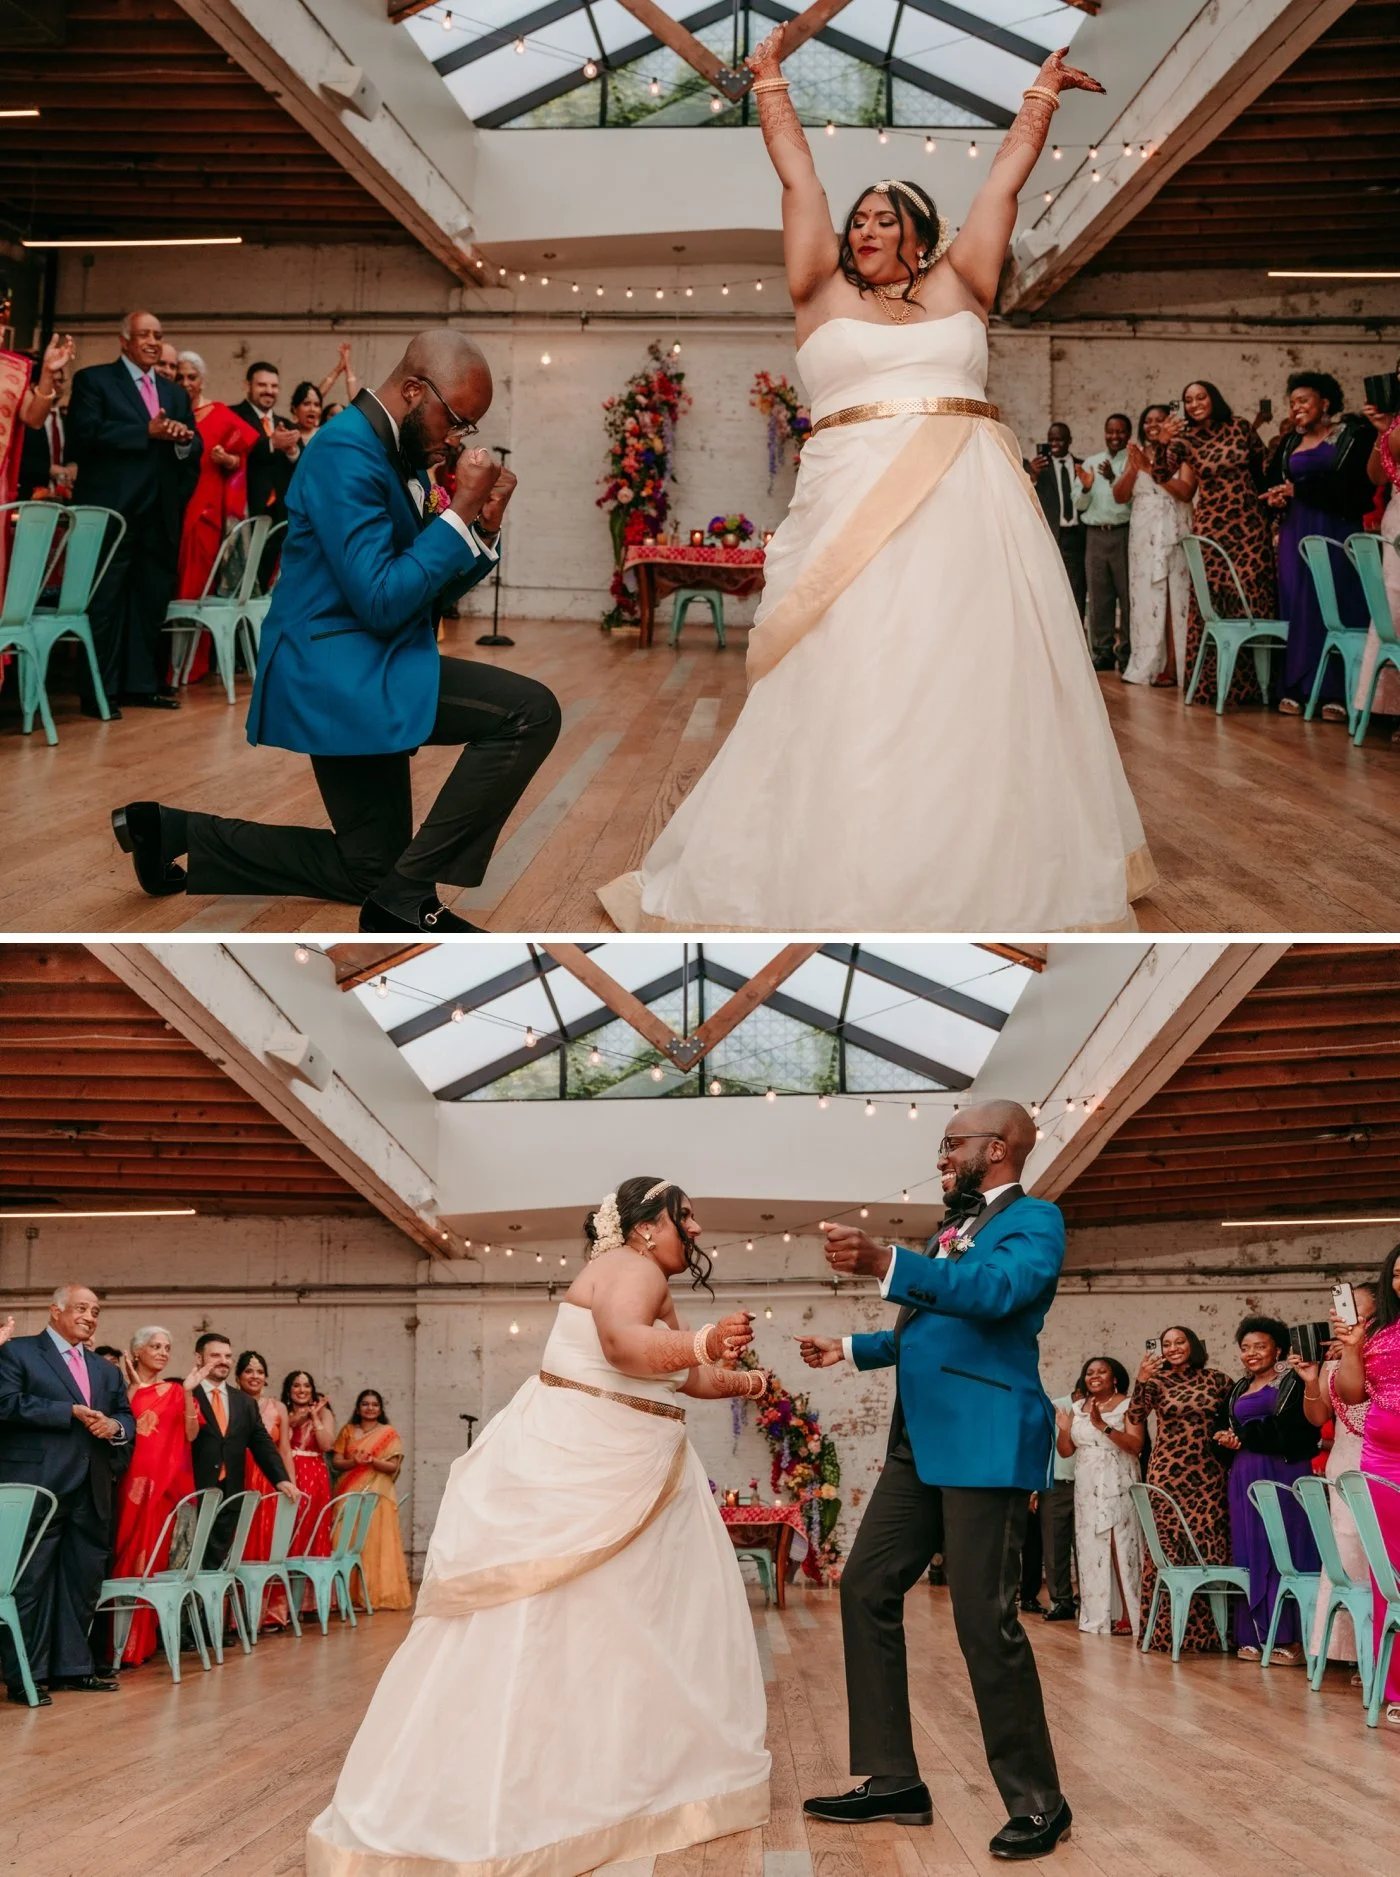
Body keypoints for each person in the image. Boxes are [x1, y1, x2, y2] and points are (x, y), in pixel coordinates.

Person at [597, 36, 1152, 935]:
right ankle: (843, 852)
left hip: (971, 504)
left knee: (968, 674)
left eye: (885, 218)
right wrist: (771, 83)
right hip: (851, 503)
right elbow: (798, 183)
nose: (864, 229)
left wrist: (1038, 99)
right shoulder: (820, 293)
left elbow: (1002, 190)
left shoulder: (965, 287)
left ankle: (976, 855)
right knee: (861, 668)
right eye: (859, 219)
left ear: (921, 235)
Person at [306, 1177, 771, 1873]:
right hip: (589, 1467)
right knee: (570, 1621)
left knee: (622, 1630)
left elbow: (677, 1373)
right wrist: (703, 1339)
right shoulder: (628, 1268)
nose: (697, 1229)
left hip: (635, 1468)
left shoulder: (644, 1277)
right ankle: (537, 1790)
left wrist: (743, 1379)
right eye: (687, 1216)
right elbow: (622, 1347)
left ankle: (613, 1776)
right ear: (646, 1224)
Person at [112, 330, 562, 934]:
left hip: (375, 661)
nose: (458, 439)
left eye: (468, 429)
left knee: (365, 871)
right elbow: (380, 600)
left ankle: (171, 831)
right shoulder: (344, 451)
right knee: (528, 712)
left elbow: (420, 589)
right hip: (338, 672)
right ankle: (408, 898)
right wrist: (454, 515)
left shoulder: (397, 452)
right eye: (457, 421)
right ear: (412, 390)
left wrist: (480, 527)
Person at [794, 1100, 1070, 1862]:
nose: (941, 1155)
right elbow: (933, 1328)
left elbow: (994, 1296)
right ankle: (894, 1778)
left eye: (952, 1144)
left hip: (983, 1438)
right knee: (865, 1584)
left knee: (983, 1619)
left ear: (1001, 1147)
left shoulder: (1035, 1220)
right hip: (919, 1443)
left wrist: (886, 1261)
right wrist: (851, 1348)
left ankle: (1039, 1801)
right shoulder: (954, 1229)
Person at [0, 1284, 136, 1704]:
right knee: (31, 1582)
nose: (89, 1316)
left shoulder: (106, 1371)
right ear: (55, 1310)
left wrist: (115, 1428)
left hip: (91, 1487)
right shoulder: (18, 1352)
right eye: (81, 1308)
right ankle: (27, 1674)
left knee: (82, 1580)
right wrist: (68, 1413)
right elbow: (6, 1404)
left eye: (95, 1311)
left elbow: (126, 1417)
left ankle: (73, 1667)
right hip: (38, 1485)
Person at [66, 309, 202, 716]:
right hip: (111, 510)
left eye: (158, 335)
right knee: (105, 603)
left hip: (158, 512)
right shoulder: (94, 381)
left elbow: (191, 447)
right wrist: (145, 432)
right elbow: (84, 437)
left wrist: (180, 440)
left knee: (149, 600)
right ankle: (99, 691)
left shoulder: (173, 394)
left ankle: (140, 685)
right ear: (124, 340)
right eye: (144, 334)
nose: (152, 341)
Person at [1154, 381, 1276, 709]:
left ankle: (1259, 689)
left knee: (1254, 602)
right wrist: (1162, 443)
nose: (1195, 404)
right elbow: (1161, 474)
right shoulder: (1184, 439)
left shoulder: (1239, 427)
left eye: (1201, 397)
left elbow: (1264, 467)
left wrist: (1273, 512)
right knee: (1217, 605)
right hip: (1212, 529)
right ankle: (1212, 685)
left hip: (1251, 527)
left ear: (1214, 398)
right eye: (1188, 400)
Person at [1264, 372, 1379, 718]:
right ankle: (1297, 688)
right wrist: (1276, 498)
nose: (1296, 407)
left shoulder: (1353, 437)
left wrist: (1301, 491)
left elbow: (1356, 491)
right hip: (1295, 531)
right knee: (1297, 605)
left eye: (1304, 400)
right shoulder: (1288, 442)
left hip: (1336, 530)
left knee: (1337, 604)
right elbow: (1275, 480)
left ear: (1325, 403)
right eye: (1293, 402)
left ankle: (1337, 693)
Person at [1215, 1314, 1320, 1663]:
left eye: (1260, 1346)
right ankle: (1254, 1634)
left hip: (1283, 1472)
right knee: (1250, 1548)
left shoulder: (1292, 1381)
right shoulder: (1239, 1388)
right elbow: (1225, 1428)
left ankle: (1291, 1638)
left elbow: (1295, 1430)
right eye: (1245, 1348)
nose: (1251, 1353)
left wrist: (1243, 1436)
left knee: (1285, 1548)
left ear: (1278, 1348)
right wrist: (1225, 1439)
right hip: (1244, 1474)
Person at [1127, 1326, 1233, 1653]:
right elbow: (1134, 1415)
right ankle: (1164, 1632)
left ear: (1193, 1344)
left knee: (1209, 1546)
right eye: (1166, 1344)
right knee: (1170, 1549)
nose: (1173, 1348)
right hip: (1167, 1474)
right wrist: (1141, 1379)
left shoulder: (1218, 1379)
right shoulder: (1156, 1382)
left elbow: (1233, 1417)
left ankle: (1214, 1635)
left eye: (1179, 1342)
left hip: (1209, 1472)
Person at [1335, 1249, 1400, 1721]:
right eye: (1395, 1275)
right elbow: (1353, 1394)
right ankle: (1396, 1689)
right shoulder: (1379, 1334)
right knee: (1390, 1578)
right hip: (1383, 1463)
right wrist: (1354, 1347)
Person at [1296, 1286, 1375, 1671]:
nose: (1342, 1314)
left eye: (1355, 1309)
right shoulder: (1331, 1361)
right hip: (1342, 1462)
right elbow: (1316, 1418)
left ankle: (1376, 1653)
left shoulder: (1381, 1357)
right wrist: (1312, 1379)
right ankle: (1350, 1652)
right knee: (1345, 1557)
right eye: (1342, 1308)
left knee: (1377, 1554)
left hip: (1379, 1458)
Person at [109, 1326, 198, 1667]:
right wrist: (134, 1388)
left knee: (153, 1563)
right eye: (155, 1346)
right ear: (136, 1352)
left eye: (167, 1347)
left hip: (164, 1486)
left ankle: (141, 1646)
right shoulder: (121, 1387)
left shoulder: (175, 1391)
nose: (162, 1352)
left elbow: (190, 1433)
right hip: (130, 1485)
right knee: (126, 1556)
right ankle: (118, 1647)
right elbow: (121, 1429)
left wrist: (189, 1393)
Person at [170, 351, 260, 683]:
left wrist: (230, 460)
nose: (185, 383)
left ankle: (188, 667)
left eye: (191, 377)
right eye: (179, 377)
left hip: (206, 510)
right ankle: (171, 665)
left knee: (194, 588)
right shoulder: (171, 412)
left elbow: (246, 448)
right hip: (174, 507)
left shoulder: (218, 413)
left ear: (202, 380)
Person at [188, 1332, 296, 1557]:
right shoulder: (185, 1392)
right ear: (199, 1358)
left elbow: (262, 1443)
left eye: (228, 1356)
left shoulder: (244, 1402)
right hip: (191, 1492)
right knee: (186, 1559)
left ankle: (214, 1594)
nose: (224, 1361)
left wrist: (281, 1478)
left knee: (217, 1560)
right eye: (215, 1355)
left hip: (231, 1492)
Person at [1058, 1356, 1142, 1636]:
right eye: (1089, 1373)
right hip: (1086, 1484)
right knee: (1090, 1547)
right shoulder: (1077, 1408)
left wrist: (1103, 1425)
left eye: (1101, 1372)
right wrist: (1064, 1429)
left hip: (1117, 1479)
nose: (1094, 1376)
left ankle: (1131, 1614)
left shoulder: (1129, 1405)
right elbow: (1066, 1451)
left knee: (1120, 1543)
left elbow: (1135, 1445)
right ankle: (1098, 1616)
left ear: (1114, 1376)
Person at [1118, 406, 1193, 687]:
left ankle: (1175, 666)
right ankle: (1148, 661)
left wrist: (1150, 470)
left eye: (1159, 420)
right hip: (1142, 533)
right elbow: (1120, 496)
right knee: (1146, 596)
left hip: (1173, 526)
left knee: (1175, 595)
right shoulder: (1137, 453)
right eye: (1147, 420)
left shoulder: (1182, 451)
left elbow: (1186, 491)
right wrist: (1134, 468)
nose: (1152, 425)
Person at [330, 1389, 411, 1611]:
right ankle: (345, 1597)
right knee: (343, 1539)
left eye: (374, 1404)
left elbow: (393, 1466)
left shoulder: (389, 1434)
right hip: (348, 1491)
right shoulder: (348, 1431)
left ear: (380, 1409)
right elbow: (337, 1461)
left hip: (377, 1494)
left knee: (374, 1542)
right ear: (358, 1408)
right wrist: (354, 1461)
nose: (370, 1408)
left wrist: (373, 1460)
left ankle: (375, 1595)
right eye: (365, 1404)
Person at [234, 1349, 297, 1629]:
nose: (255, 1376)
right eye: (249, 1371)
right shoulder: (231, 1403)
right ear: (238, 1377)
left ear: (267, 1378)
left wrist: (290, 1484)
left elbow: (283, 1450)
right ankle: (234, 1618)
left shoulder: (277, 1408)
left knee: (267, 1545)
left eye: (260, 1371)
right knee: (239, 1544)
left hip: (269, 1484)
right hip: (239, 1479)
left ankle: (268, 1613)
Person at [1075, 414, 1134, 672]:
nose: (1114, 436)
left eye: (1120, 432)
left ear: (1128, 434)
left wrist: (1112, 478)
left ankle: (1127, 650)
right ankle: (1102, 651)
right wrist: (1086, 488)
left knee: (1128, 595)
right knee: (1099, 596)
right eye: (1110, 431)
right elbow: (1079, 504)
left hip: (1124, 533)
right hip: (1095, 535)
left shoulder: (1133, 463)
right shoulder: (1091, 463)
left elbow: (1135, 502)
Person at [1358, 398, 1400, 735]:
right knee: (1393, 614)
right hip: (1396, 518)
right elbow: (1377, 476)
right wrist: (1383, 433)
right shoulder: (1394, 422)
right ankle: (1392, 709)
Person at [1027, 422, 1087, 618]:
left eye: (1059, 439)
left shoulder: (1082, 465)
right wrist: (1032, 475)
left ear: (1069, 441)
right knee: (1052, 585)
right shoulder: (1040, 469)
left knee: (1077, 587)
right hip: (1052, 533)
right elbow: (1028, 497)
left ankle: (1079, 632)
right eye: (1051, 440)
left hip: (1077, 535)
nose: (1055, 444)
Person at [232, 360, 298, 533]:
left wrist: (293, 451)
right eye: (262, 385)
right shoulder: (232, 416)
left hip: (282, 515)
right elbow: (235, 454)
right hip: (246, 511)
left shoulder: (287, 425)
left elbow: (302, 466)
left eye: (274, 386)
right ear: (247, 385)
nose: (269, 391)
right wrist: (271, 444)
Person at [284, 1368, 335, 1590]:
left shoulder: (324, 1413)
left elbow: (327, 1445)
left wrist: (314, 1416)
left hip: (314, 1476)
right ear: (288, 1390)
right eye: (296, 1385)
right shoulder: (281, 1410)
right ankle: (284, 1600)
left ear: (313, 1390)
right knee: (289, 1529)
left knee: (312, 1528)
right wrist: (301, 1416)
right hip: (287, 1473)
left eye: (306, 1385)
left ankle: (310, 1600)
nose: (301, 1390)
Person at [18, 331, 75, 498]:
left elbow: (33, 420)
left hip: (63, 495)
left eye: (60, 381)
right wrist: (48, 470)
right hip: (28, 493)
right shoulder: (23, 416)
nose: (57, 386)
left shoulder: (68, 418)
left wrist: (73, 466)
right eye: (53, 381)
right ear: (33, 385)